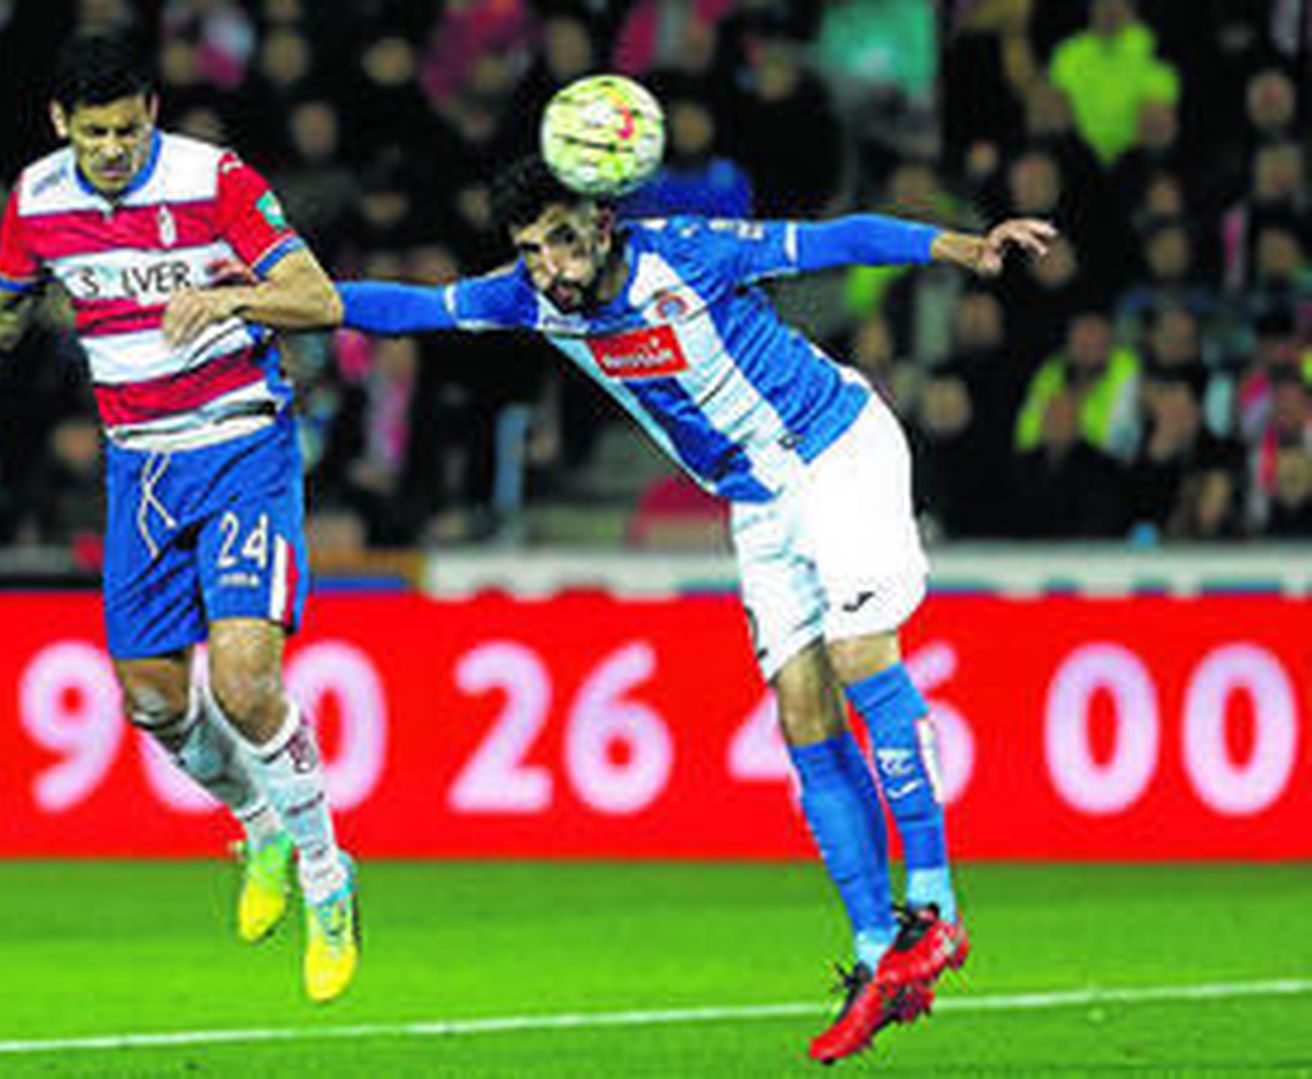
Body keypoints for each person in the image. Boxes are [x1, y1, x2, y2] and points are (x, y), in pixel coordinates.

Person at [326, 156, 1054, 1061]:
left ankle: (937, 910)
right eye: (529, 248)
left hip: (834, 449)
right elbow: (412, 306)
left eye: (559, 238)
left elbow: (836, 241)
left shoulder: (692, 252)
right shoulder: (528, 297)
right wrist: (273, 299)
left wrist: (957, 245)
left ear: (600, 220)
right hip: (757, 499)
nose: (548, 264)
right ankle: (878, 954)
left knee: (863, 654)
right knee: (802, 714)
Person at [0, 32, 359, 1004]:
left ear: (152, 112)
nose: (113, 149)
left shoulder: (217, 180)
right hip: (141, 469)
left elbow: (317, 298)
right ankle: (261, 822)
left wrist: (229, 293)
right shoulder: (37, 198)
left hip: (240, 442)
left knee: (245, 681)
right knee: (153, 699)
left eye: (128, 128)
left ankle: (329, 876)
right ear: (58, 124)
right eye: (95, 133)